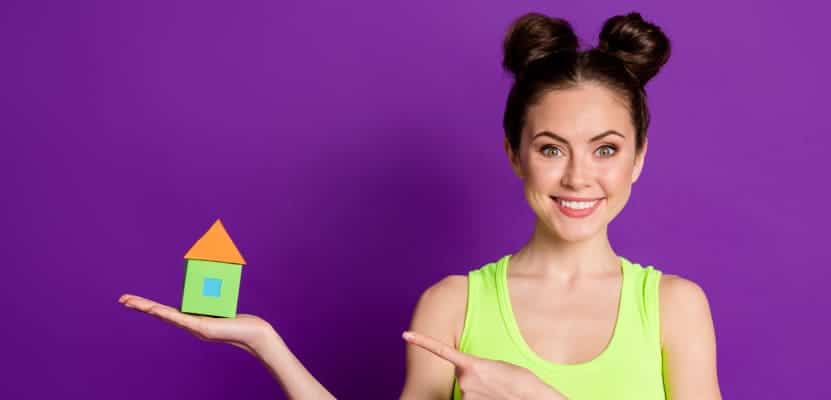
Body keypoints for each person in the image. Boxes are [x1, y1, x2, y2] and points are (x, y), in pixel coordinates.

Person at [119, 11, 721, 400]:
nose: (578, 176)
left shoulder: (673, 308)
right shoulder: (452, 305)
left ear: (638, 158)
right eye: (551, 148)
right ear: (515, 153)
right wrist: (265, 344)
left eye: (606, 149)